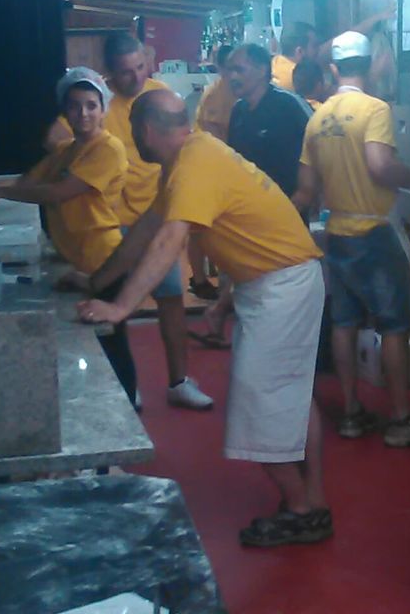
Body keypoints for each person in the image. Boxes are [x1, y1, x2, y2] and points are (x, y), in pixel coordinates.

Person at [77, 89, 332, 548]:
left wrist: (120, 307)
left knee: (261, 400)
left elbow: (169, 240)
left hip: (282, 286)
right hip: (280, 281)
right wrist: (97, 283)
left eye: (134, 129)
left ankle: (301, 510)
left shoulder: (194, 163)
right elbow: (147, 231)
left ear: (146, 130)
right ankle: (312, 500)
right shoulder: (188, 159)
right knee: (291, 396)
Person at [293, 31, 410, 446]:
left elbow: (306, 190)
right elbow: (380, 166)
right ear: (370, 65)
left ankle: (350, 413)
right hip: (375, 234)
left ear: (334, 68)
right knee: (394, 326)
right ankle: (401, 419)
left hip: (336, 233)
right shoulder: (375, 109)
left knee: (344, 323)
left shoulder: (318, 118)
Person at [49, 33, 213, 410]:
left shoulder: (159, 96)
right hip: (114, 223)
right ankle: (126, 384)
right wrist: (89, 160)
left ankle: (179, 381)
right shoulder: (98, 101)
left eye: (140, 67)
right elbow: (55, 137)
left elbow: (188, 142)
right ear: (110, 71)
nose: (136, 76)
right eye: (125, 71)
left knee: (171, 300)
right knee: (113, 309)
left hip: (158, 217)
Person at [0, 68, 138, 405]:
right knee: (91, 345)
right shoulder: (67, 150)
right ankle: (107, 402)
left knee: (111, 342)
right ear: (65, 111)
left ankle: (126, 405)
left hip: (103, 257)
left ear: (103, 110)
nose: (83, 114)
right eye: (75, 106)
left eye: (91, 106)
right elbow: (27, 182)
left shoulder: (108, 149)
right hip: (76, 257)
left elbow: (58, 193)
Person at [226, 44, 312, 199]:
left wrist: (305, 193)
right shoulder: (238, 111)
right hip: (249, 205)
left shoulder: (288, 105)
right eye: (230, 70)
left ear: (262, 70)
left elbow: (317, 145)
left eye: (239, 70)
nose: (232, 77)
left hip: (289, 205)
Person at [189, 44, 236, 302]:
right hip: (207, 167)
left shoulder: (236, 91)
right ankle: (198, 279)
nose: (234, 73)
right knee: (199, 228)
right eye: (230, 68)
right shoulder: (215, 95)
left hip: (227, 168)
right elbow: (216, 137)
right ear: (220, 67)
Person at [272, 21, 318, 91]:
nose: (318, 50)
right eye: (315, 46)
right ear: (299, 51)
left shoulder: (275, 63)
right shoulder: (301, 79)